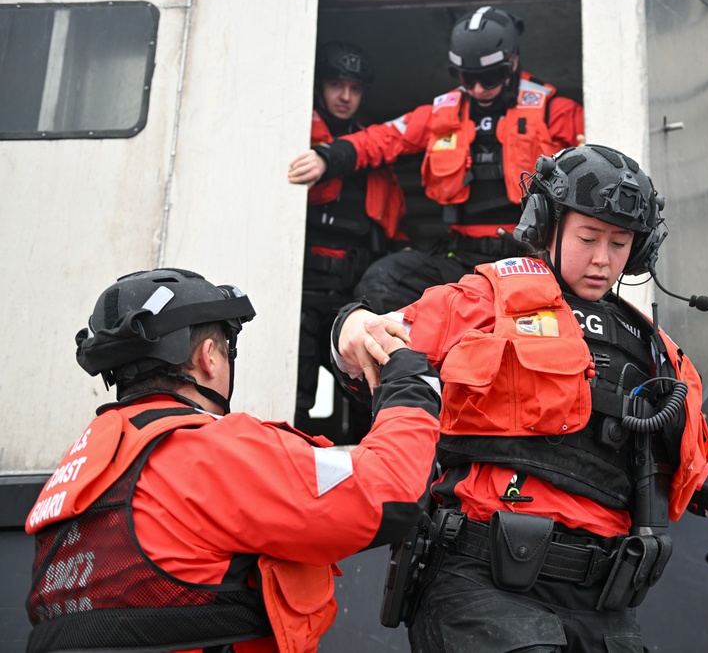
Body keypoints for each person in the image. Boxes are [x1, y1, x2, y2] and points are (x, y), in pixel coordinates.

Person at [332, 145, 708, 652]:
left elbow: (684, 470)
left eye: (620, 243)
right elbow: (376, 344)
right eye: (588, 237)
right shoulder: (485, 299)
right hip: (483, 585)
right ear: (547, 225)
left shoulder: (651, 347)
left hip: (602, 604)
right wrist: (351, 326)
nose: (603, 259)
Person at [24, 267, 441, 653]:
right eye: (225, 351)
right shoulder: (209, 451)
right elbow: (391, 490)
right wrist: (409, 383)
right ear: (208, 356)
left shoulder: (84, 465)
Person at [311, 6, 585, 314]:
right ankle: (405, 363)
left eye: (489, 77)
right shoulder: (443, 113)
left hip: (531, 259)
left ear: (513, 62)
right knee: (380, 285)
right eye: (467, 78)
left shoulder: (555, 111)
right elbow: (383, 139)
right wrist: (327, 157)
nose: (478, 89)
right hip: (462, 258)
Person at [287, 41, 408, 432]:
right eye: (337, 85)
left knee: (366, 391)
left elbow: (392, 226)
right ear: (320, 85)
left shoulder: (373, 155)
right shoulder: (292, 138)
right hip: (300, 297)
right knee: (296, 394)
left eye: (354, 89)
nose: (344, 96)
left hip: (352, 299)